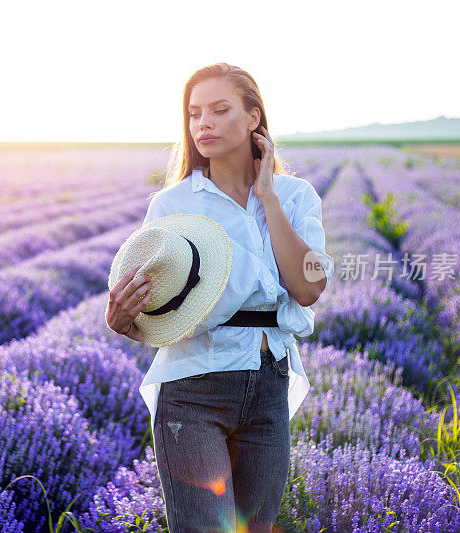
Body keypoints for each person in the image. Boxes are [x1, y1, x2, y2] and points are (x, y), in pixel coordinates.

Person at [105, 62, 333, 533]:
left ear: (254, 118)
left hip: (270, 382)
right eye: (193, 113)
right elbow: (153, 307)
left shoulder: (296, 196)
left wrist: (267, 195)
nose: (202, 123)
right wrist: (122, 316)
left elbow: (308, 287)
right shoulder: (174, 203)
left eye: (218, 109)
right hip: (193, 390)